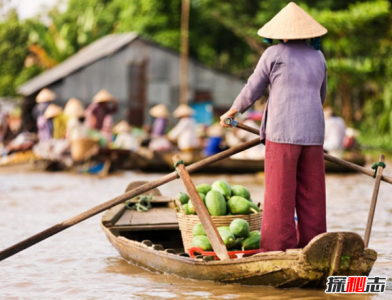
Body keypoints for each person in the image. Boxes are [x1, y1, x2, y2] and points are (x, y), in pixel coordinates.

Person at [220, 2, 328, 252]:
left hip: (282, 133)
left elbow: (253, 89)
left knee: (280, 195)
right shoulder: (318, 56)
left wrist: (232, 112)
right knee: (312, 196)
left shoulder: (274, 54)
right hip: (313, 134)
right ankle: (315, 248)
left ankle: (277, 249)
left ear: (283, 33)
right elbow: (321, 96)